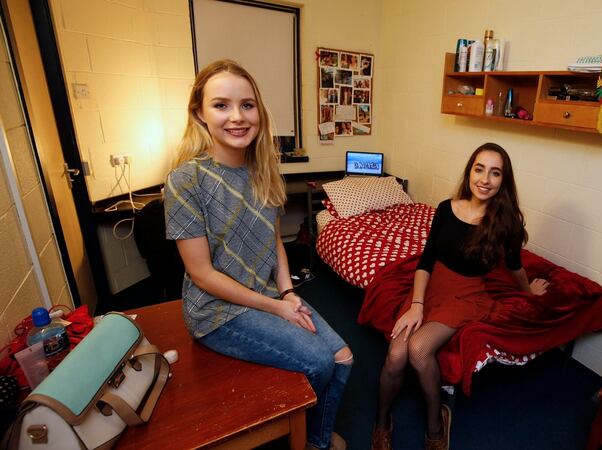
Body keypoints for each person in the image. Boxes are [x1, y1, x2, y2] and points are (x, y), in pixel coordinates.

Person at [164, 60, 352, 450]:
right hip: (216, 312)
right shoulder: (185, 181)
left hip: (268, 296)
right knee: (318, 362)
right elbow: (201, 275)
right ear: (199, 112)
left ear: (259, 112)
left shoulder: (263, 169)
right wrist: (276, 308)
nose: (237, 117)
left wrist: (287, 293)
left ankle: (314, 439)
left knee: (344, 358)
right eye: (222, 105)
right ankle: (308, 438)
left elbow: (274, 241)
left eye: (247, 105)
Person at [370, 143, 549, 450]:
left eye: (495, 173)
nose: (485, 179)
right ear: (469, 172)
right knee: (396, 355)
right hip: (434, 285)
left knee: (417, 348)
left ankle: (436, 422)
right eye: (479, 169)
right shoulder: (445, 208)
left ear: (503, 181)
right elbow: (426, 260)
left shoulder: (507, 223)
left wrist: (527, 289)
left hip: (467, 294)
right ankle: (381, 422)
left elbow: (514, 265)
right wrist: (416, 304)